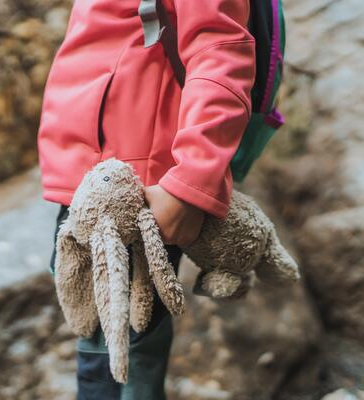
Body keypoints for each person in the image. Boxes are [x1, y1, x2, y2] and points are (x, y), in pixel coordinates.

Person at [38, 0, 256, 398]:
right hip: (93, 174)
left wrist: (191, 181)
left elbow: (218, 48)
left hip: (134, 187)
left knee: (117, 348)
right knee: (103, 339)